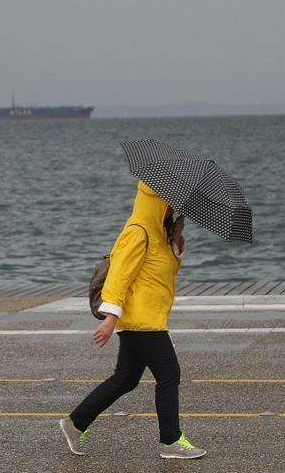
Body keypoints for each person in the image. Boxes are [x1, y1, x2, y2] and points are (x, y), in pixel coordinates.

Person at [59, 180, 206, 459]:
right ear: (157, 200)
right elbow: (119, 274)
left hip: (147, 317)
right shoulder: (138, 231)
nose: (174, 207)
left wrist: (177, 241)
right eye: (171, 202)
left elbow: (162, 271)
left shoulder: (157, 233)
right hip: (141, 320)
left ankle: (76, 423)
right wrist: (110, 315)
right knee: (169, 374)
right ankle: (171, 441)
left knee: (125, 379)